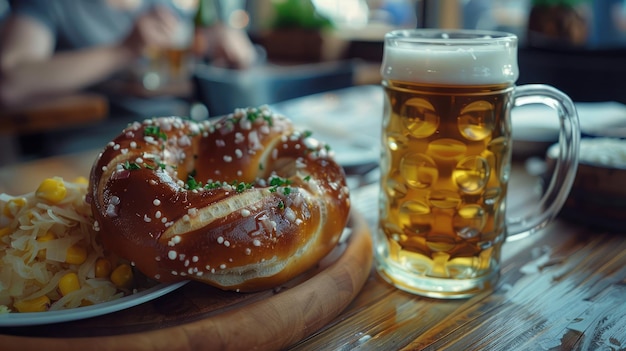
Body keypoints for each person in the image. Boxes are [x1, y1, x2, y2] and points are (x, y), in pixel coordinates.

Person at [0, 0, 258, 116]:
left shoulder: (166, 6)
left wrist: (226, 44)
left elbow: (195, 51)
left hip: (175, 136)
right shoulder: (48, 4)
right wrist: (122, 50)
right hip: (85, 147)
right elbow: (10, 81)